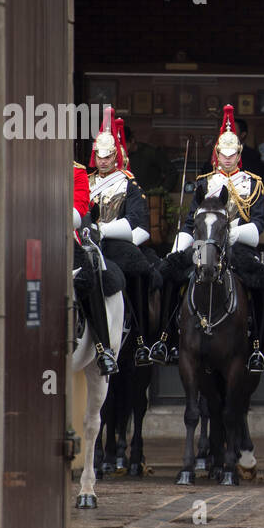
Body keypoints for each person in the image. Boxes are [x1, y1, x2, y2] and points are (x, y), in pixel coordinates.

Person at [151, 105, 264, 372]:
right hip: (204, 246)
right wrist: (177, 249)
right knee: (172, 274)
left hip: (237, 247)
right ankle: (166, 339)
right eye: (223, 154)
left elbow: (260, 223)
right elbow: (189, 221)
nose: (227, 159)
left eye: (232, 155)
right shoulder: (204, 183)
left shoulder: (253, 184)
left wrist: (233, 233)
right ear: (216, 154)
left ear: (239, 154)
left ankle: (259, 347)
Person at [88, 106, 157, 365]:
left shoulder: (127, 184)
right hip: (87, 241)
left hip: (115, 241)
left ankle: (140, 339)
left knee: (138, 267)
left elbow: (134, 221)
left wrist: (103, 230)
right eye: (99, 156)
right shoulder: (85, 180)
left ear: (115, 155)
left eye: (107, 156)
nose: (103, 161)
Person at [73, 159, 122, 375]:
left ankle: (103, 347)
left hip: (62, 236)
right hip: (23, 237)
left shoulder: (76, 172)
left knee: (90, 266)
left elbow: (79, 209)